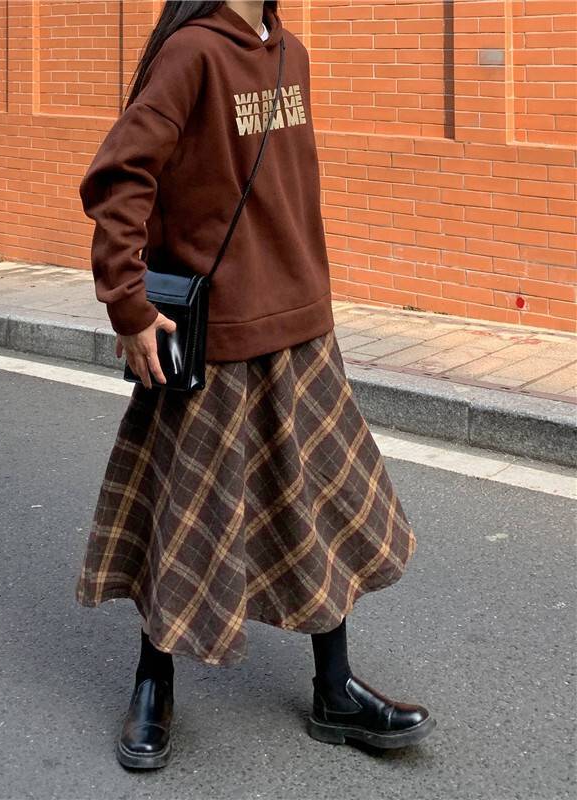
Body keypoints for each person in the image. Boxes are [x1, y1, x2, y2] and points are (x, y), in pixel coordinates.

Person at [75, 0, 436, 770]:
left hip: (302, 322)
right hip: (221, 338)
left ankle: (334, 689)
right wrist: (129, 306)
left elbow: (291, 191)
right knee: (186, 512)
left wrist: (315, 294)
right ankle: (153, 682)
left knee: (321, 503)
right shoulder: (193, 54)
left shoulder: (289, 53)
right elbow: (119, 176)